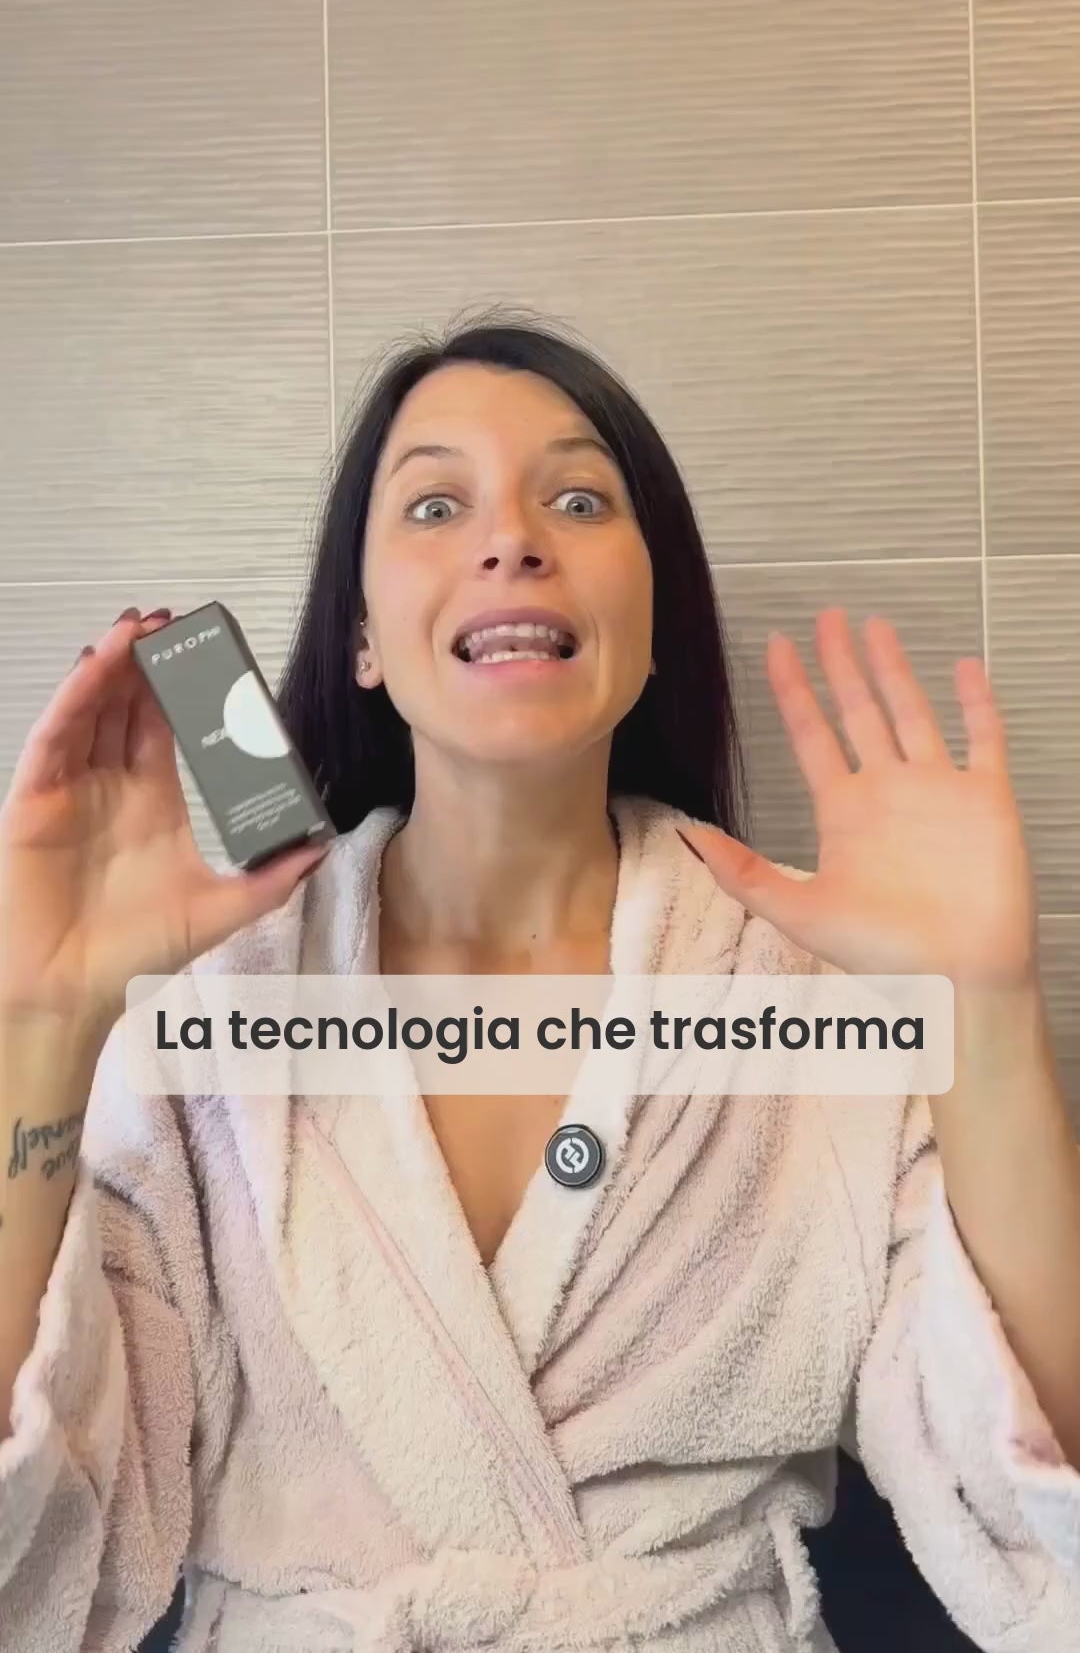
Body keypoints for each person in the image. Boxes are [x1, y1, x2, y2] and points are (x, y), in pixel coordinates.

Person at [1, 317, 1078, 1653]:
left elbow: (1032, 1502)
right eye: (436, 505)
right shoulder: (218, 1008)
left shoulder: (800, 994)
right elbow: (41, 1550)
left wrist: (987, 1009)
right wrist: (43, 1025)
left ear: (650, 620)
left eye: (577, 500)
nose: (511, 538)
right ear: (363, 640)